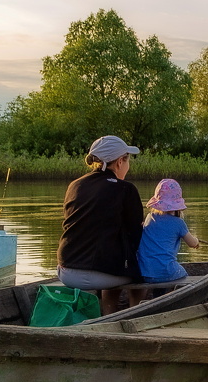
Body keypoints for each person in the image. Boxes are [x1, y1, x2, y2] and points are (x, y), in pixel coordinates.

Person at [57, 135, 144, 315]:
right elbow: (136, 236)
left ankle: (107, 312)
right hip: (101, 276)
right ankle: (132, 314)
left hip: (65, 271)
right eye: (128, 161)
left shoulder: (74, 185)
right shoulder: (126, 189)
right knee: (142, 268)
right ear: (120, 162)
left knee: (113, 259)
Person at [136, 178, 200, 285]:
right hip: (166, 271)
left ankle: (159, 297)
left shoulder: (149, 217)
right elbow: (192, 243)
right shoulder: (179, 223)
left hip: (144, 272)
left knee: (162, 276)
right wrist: (197, 241)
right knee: (184, 275)